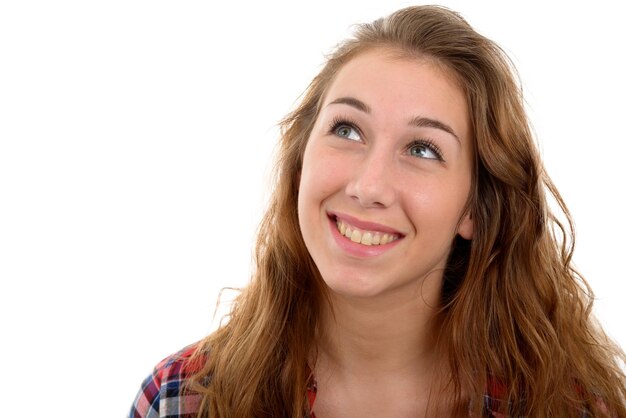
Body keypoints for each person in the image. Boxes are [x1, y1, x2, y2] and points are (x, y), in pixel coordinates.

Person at [129, 5, 626, 417]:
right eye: (347, 130)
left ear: (474, 209)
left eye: (423, 149)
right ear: (301, 159)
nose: (368, 187)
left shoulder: (571, 408)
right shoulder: (181, 400)